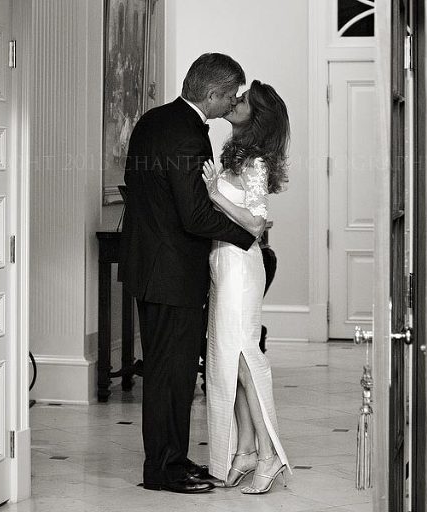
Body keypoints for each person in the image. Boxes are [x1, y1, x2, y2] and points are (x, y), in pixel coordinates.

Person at [118, 53, 256, 494]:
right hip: (172, 272)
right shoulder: (187, 133)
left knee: (168, 373)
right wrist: (248, 235)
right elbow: (194, 214)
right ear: (212, 94)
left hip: (152, 266)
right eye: (231, 95)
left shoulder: (154, 120)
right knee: (170, 375)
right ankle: (163, 469)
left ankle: (170, 459)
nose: (233, 102)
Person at [201, 80, 291, 494]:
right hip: (224, 264)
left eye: (243, 101)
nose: (234, 102)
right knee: (226, 362)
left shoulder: (254, 161)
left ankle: (268, 456)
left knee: (241, 361)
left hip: (240, 266)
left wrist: (212, 195)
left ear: (257, 116)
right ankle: (245, 451)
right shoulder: (238, 154)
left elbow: (255, 223)